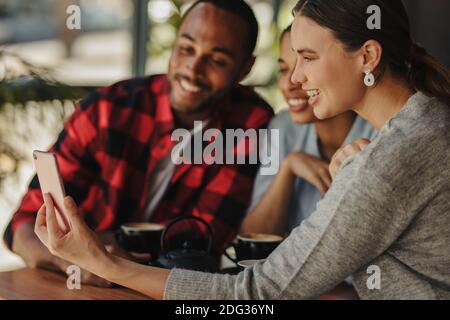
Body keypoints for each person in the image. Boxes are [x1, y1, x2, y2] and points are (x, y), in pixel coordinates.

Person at [34, 0, 449, 299]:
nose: (296, 80)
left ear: (368, 57)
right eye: (290, 63)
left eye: (307, 57)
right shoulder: (426, 123)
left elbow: (256, 295)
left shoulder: (391, 157)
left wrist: (103, 264)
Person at [3, 0, 274, 287]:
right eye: (186, 48)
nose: (193, 70)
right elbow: (22, 226)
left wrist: (107, 260)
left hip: (169, 291)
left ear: (245, 68)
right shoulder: (108, 109)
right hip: (82, 287)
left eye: (217, 60)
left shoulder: (250, 123)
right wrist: (76, 261)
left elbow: (200, 245)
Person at [240, 25, 376, 237]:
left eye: (308, 62)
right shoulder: (282, 127)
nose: (289, 82)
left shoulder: (379, 131)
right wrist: (288, 167)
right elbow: (253, 237)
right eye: (284, 69)